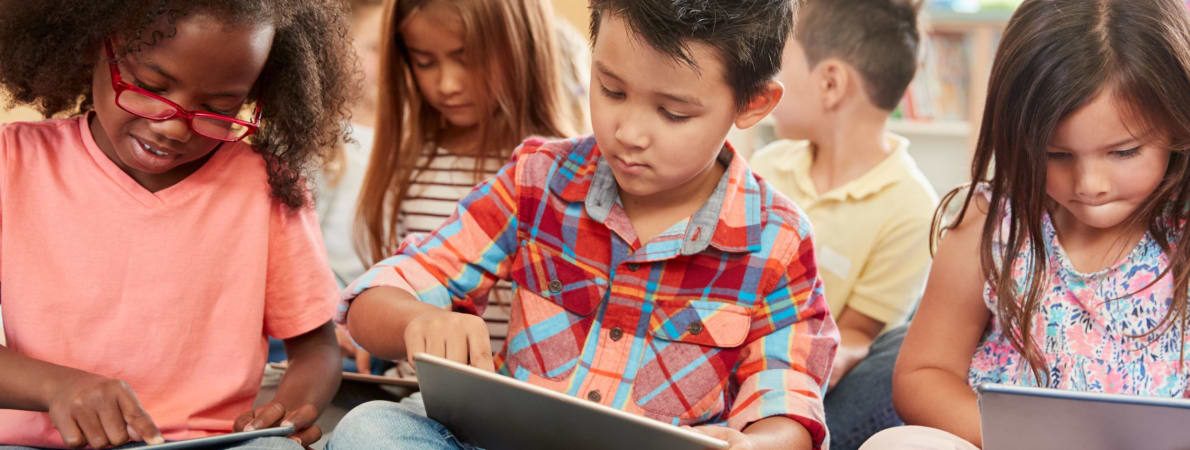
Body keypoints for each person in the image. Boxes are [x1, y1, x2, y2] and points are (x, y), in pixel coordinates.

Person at [329, 1, 840, 449]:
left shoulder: (778, 240)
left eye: (673, 112)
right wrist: (416, 321)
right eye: (612, 90)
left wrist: (755, 444)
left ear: (752, 104)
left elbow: (788, 400)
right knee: (369, 429)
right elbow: (376, 297)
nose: (629, 133)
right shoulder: (538, 179)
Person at [0, 1, 355, 447]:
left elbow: (316, 349)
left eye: (218, 107)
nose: (174, 129)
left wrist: (285, 414)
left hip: (212, 444)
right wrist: (57, 387)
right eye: (150, 86)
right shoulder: (13, 164)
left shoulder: (268, 186)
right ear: (95, 45)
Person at [863, 0, 1190, 447]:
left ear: (1178, 124)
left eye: (1123, 152)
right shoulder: (990, 222)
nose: (1089, 184)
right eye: (1056, 155)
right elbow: (923, 375)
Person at [347, 0, 589, 376]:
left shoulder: (559, 176)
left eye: (468, 58)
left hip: (512, 400)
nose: (447, 84)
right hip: (413, 392)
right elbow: (393, 285)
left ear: (520, 44)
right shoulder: (410, 161)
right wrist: (375, 328)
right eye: (425, 62)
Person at [749, 1, 935, 447]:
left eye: (778, 62)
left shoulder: (913, 207)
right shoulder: (768, 164)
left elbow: (857, 333)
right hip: (739, 347)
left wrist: (804, 365)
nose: (764, 76)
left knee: (895, 355)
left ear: (830, 82)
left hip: (813, 380)